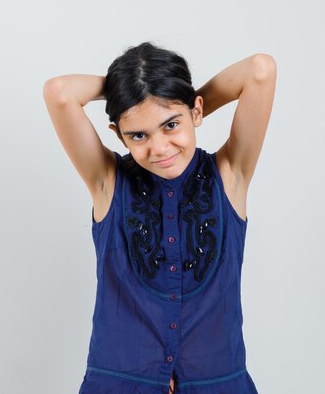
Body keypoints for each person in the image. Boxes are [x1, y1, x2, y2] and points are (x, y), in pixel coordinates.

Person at [43, 42, 277, 394]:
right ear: (118, 135)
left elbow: (260, 70)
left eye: (171, 125)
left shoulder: (230, 175)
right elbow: (59, 92)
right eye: (138, 134)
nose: (159, 148)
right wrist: (129, 89)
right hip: (120, 383)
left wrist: (172, 100)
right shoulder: (108, 181)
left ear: (196, 112)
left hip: (217, 384)